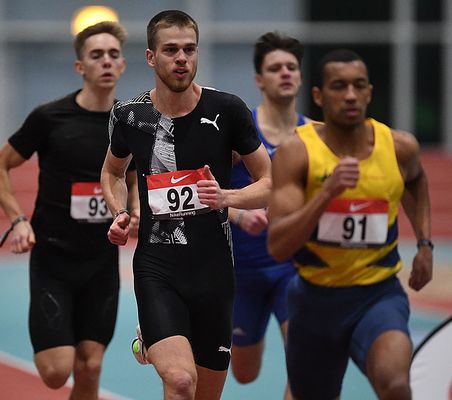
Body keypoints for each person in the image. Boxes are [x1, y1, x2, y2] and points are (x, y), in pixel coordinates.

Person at [101, 10, 272, 400]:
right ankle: (157, 334)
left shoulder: (227, 110)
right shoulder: (130, 115)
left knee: (204, 393)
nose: (182, 58)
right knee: (180, 381)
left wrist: (227, 198)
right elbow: (112, 172)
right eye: (171, 50)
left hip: (214, 271)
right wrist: (120, 211)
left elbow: (271, 181)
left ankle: (153, 342)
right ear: (150, 57)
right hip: (157, 267)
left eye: (189, 49)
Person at [267, 48, 433, 400]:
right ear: (319, 95)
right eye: (339, 86)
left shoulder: (399, 147)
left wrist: (424, 244)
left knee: (395, 384)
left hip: (378, 294)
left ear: (370, 92)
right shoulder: (297, 153)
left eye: (359, 86)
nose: (351, 95)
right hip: (314, 301)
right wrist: (326, 194)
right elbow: (278, 245)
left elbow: (417, 181)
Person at [0, 21, 134, 399]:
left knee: (91, 366)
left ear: (123, 65)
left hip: (101, 262)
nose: (105, 61)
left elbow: (133, 180)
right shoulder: (50, 117)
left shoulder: (131, 123)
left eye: (113, 55)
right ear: (79, 66)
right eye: (96, 55)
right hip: (54, 261)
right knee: (56, 372)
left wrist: (133, 213)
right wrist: (18, 220)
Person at [228, 32, 310, 400]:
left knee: (307, 360)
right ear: (260, 79)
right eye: (275, 68)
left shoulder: (315, 136)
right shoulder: (239, 129)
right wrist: (239, 214)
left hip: (295, 268)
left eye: (291, 67)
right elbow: (202, 191)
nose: (285, 73)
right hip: (241, 269)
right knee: (244, 373)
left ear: (301, 76)